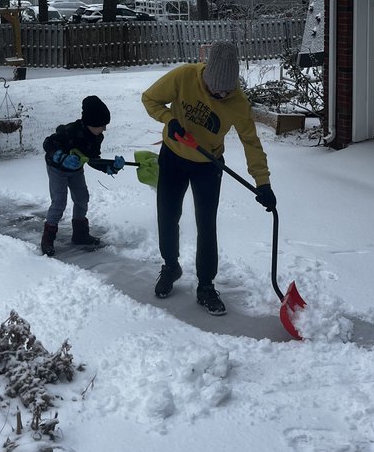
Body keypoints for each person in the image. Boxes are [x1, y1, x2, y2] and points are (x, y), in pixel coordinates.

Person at [141, 41, 276, 317]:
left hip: (208, 165)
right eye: (217, 89)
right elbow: (150, 99)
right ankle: (170, 266)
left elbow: (251, 143)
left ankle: (205, 285)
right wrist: (169, 119)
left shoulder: (238, 103)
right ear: (207, 75)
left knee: (206, 224)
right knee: (167, 215)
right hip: (173, 157)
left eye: (228, 90)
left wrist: (263, 183)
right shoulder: (184, 76)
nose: (222, 94)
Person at [41, 95, 125, 256]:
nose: (104, 129)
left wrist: (110, 167)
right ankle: (48, 239)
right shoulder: (70, 131)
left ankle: (80, 235)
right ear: (90, 122)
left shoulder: (97, 136)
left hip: (76, 170)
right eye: (102, 125)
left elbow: (92, 159)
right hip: (57, 169)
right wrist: (61, 158)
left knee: (82, 198)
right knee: (59, 202)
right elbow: (47, 144)